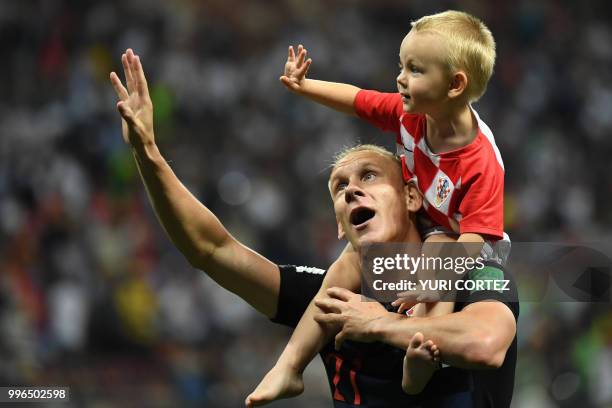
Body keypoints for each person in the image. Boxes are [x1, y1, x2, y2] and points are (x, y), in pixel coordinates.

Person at [109, 48, 518, 407]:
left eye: (370, 177)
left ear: (412, 197)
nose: (352, 191)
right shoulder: (330, 301)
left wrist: (381, 324)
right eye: (340, 188)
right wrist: (147, 154)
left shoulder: (473, 273)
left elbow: (486, 344)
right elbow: (211, 249)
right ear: (340, 227)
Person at [250, 10, 509, 403]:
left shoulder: (480, 163)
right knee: (347, 262)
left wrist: (431, 279)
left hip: (463, 241)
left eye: (415, 70)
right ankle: (288, 366)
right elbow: (357, 100)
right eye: (401, 65)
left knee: (436, 264)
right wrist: (305, 86)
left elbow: (475, 237)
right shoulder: (410, 115)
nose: (401, 78)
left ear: (455, 84)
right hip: (425, 219)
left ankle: (418, 363)